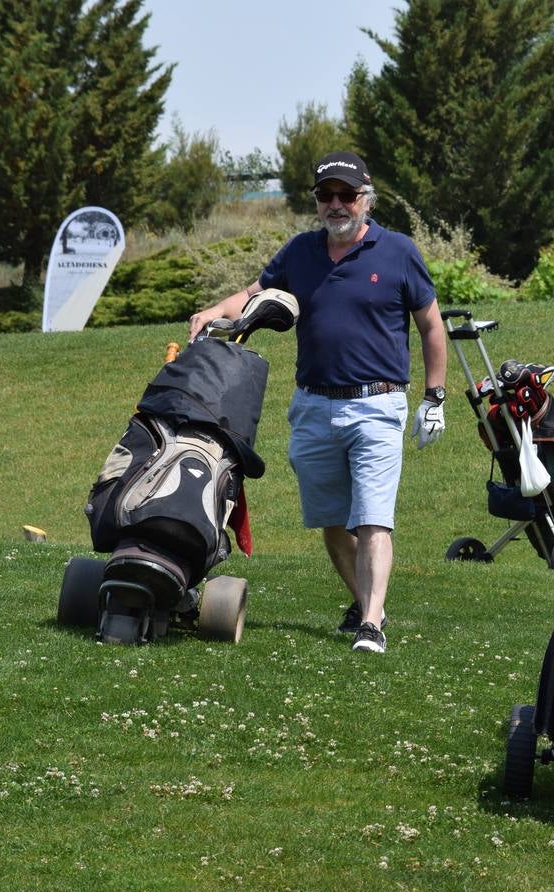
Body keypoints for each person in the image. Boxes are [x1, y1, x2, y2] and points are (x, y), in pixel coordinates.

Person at [188, 151, 448, 655]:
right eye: (326, 195)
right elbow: (253, 293)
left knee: (373, 518)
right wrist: (213, 311)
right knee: (333, 522)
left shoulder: (397, 252)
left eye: (346, 195)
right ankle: (367, 601)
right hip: (313, 406)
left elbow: (431, 325)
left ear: (365, 200)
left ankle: (371, 624)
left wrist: (434, 397)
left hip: (378, 404)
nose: (335, 205)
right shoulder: (300, 252)